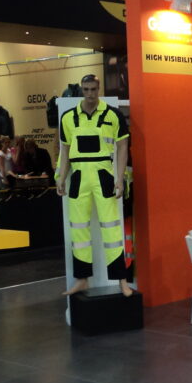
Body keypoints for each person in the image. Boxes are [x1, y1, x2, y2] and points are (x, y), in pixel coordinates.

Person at [56, 74, 132, 297]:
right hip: (78, 175)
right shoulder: (68, 118)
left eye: (93, 89)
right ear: (81, 89)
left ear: (99, 89)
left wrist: (120, 178)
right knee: (78, 229)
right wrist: (61, 177)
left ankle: (122, 280)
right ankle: (82, 280)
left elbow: (123, 146)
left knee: (112, 229)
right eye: (86, 89)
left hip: (103, 175)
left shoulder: (113, 115)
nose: (90, 94)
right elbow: (65, 150)